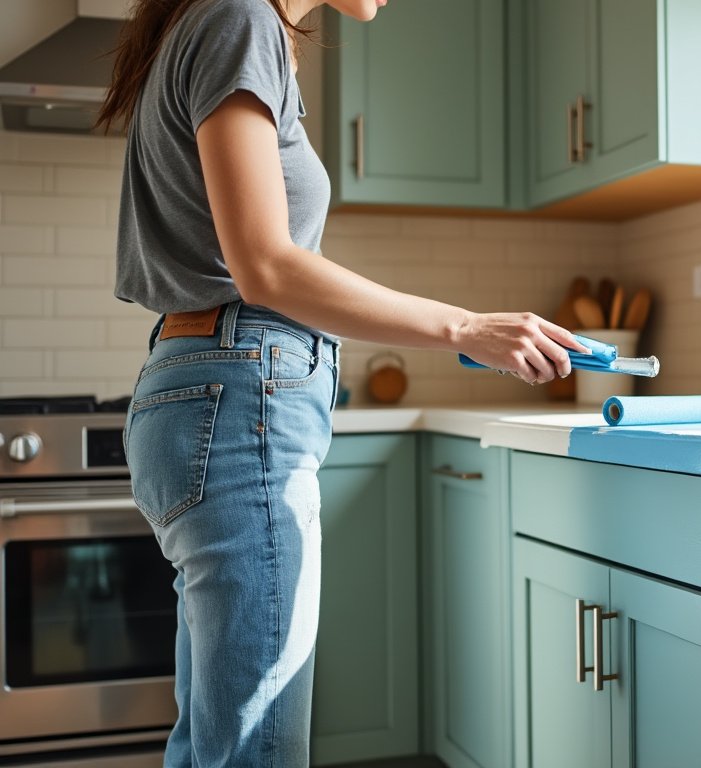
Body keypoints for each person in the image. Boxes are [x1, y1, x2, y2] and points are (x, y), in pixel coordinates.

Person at [96, 0, 582, 764]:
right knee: (251, 750)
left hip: (204, 391)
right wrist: (464, 328)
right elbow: (266, 265)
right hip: (239, 396)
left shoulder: (222, 22)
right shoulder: (239, 18)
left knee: (213, 746)